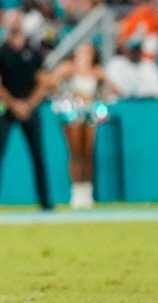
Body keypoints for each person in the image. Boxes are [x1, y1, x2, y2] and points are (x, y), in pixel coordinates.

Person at [0, 9, 53, 211]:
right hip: (6, 109)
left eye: (18, 18)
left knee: (38, 156)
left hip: (29, 108)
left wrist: (28, 104)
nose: (15, 22)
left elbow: (43, 81)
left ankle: (45, 203)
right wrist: (14, 104)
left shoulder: (34, 50)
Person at [49, 43, 118, 209]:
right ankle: (76, 193)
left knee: (87, 153)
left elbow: (115, 89)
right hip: (72, 112)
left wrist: (100, 94)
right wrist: (69, 93)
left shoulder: (96, 71)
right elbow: (50, 82)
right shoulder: (68, 68)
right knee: (75, 152)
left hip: (89, 112)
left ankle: (87, 193)